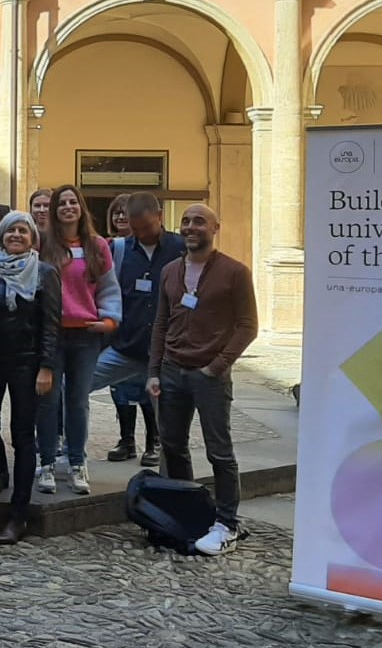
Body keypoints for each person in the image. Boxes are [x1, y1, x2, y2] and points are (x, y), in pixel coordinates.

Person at [147, 203, 257, 556]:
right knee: (174, 446)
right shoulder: (169, 271)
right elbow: (161, 323)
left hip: (209, 375)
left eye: (199, 221)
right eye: (186, 221)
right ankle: (187, 513)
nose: (191, 227)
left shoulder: (235, 272)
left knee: (219, 451)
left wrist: (218, 365)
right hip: (172, 371)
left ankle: (227, 522)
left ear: (215, 228)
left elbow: (247, 326)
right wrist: (153, 370)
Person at [0, 211, 58, 544]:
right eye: (11, 230)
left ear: (33, 238)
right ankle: (0, 469)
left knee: (23, 436)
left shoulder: (45, 274)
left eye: (23, 230)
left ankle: (18, 514)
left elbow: (51, 325)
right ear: (2, 236)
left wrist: (47, 367)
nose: (17, 235)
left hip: (26, 364)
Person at [35, 185, 121, 497]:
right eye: (62, 203)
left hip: (85, 335)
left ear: (81, 208)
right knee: (47, 400)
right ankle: (45, 461)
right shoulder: (44, 244)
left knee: (78, 401)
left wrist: (110, 319)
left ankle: (76, 461)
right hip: (52, 334)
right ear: (54, 211)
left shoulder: (97, 245)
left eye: (73, 202)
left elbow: (109, 287)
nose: (68, 207)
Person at [95, 192, 182, 469]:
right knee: (69, 388)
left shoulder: (180, 249)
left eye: (147, 227)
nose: (141, 234)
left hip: (166, 352)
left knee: (167, 417)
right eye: (136, 229)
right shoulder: (119, 249)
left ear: (159, 216)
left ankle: (167, 465)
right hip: (126, 346)